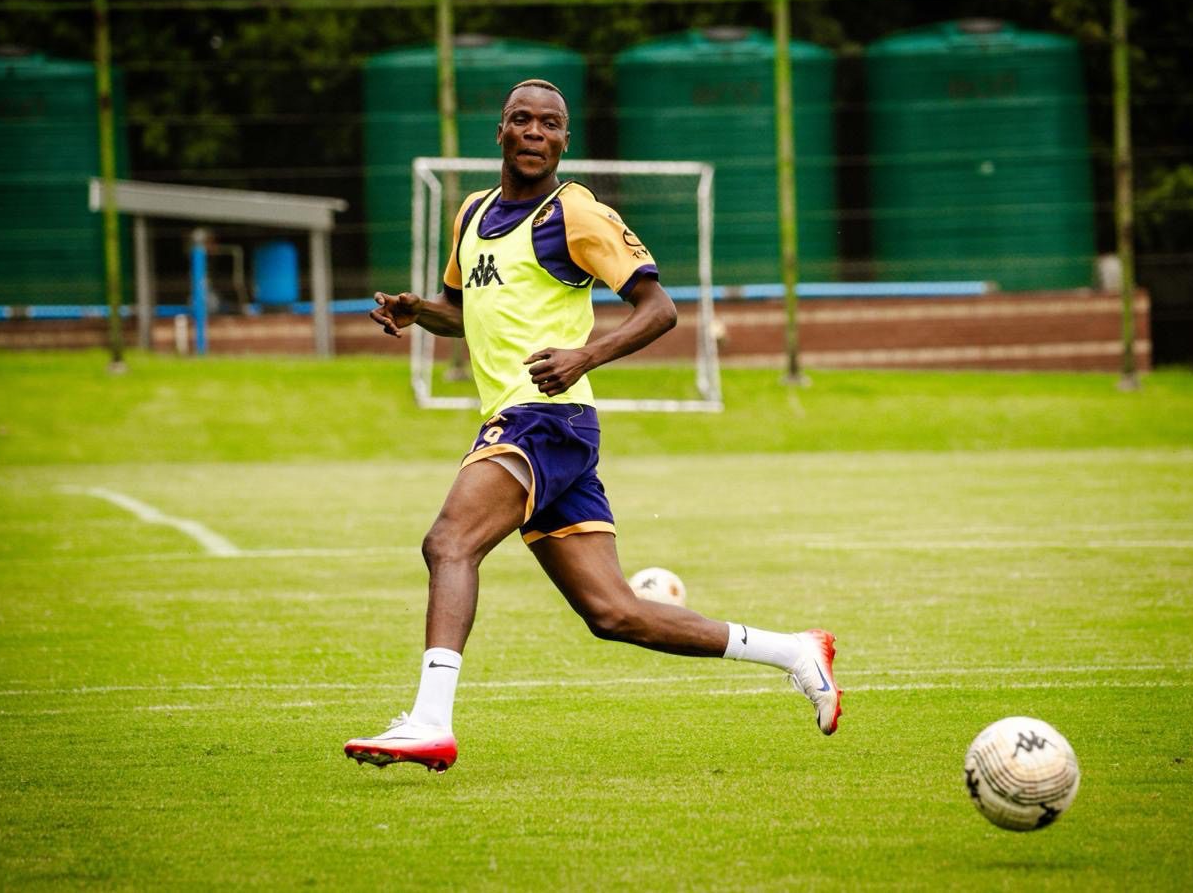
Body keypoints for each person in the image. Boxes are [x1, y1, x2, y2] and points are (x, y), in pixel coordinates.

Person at [344, 79, 840, 772]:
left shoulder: (574, 213)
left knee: (449, 541)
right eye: (522, 119)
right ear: (500, 131)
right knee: (613, 613)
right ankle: (795, 651)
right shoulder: (471, 212)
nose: (535, 132)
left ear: (565, 140)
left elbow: (659, 308)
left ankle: (430, 721)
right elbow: (464, 313)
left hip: (546, 420)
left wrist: (585, 355)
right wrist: (419, 310)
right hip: (533, 425)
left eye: (550, 123)